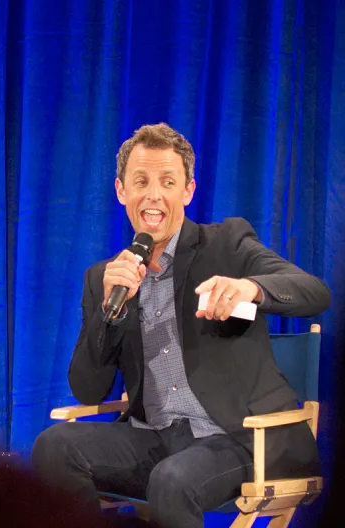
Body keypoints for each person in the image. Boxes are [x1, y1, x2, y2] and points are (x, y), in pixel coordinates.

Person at [31, 123, 331, 528]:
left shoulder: (226, 244)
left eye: (167, 182)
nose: (153, 195)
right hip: (152, 437)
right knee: (53, 447)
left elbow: (314, 292)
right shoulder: (105, 277)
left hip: (239, 440)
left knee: (172, 481)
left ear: (187, 191)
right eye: (141, 181)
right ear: (121, 191)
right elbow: (87, 389)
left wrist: (250, 288)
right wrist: (109, 312)